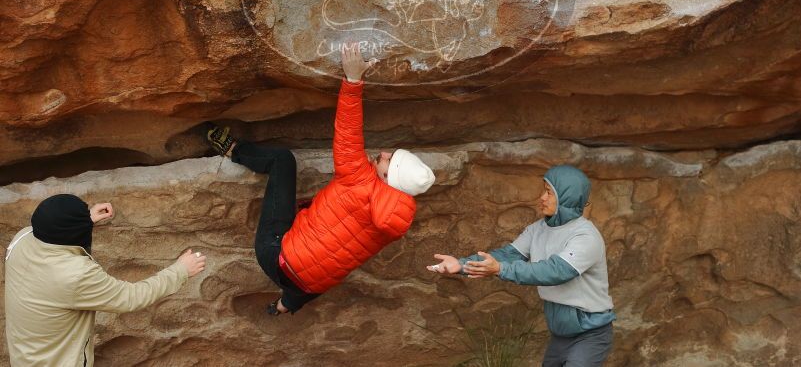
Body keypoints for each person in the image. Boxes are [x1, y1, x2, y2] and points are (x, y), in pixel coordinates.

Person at [206, 43, 436, 315]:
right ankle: (283, 306)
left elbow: (348, 133)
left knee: (282, 160)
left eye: (389, 158)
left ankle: (234, 150)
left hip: (276, 253)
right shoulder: (394, 220)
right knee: (332, 265)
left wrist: (353, 80)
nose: (384, 153)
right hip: (305, 286)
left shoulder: (359, 178)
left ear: (388, 177)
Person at [428, 165, 615, 366]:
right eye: (544, 190)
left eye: (550, 192)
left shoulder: (586, 236)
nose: (542, 197)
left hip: (590, 334)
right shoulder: (537, 229)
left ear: (567, 197)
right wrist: (461, 264)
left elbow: (555, 271)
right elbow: (508, 255)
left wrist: (500, 269)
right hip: (561, 334)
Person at [4, 193, 206, 367]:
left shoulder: (22, 238)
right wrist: (180, 271)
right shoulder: (75, 274)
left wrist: (83, 220)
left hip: (25, 355)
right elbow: (130, 298)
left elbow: (54, 231)